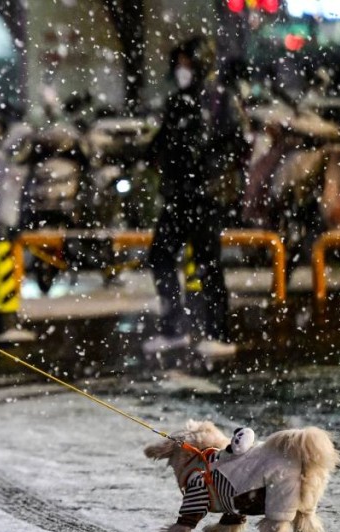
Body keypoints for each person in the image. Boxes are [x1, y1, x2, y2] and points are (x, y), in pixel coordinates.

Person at [143, 36, 250, 358]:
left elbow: (240, 141)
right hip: (179, 196)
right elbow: (160, 143)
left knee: (207, 263)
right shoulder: (178, 102)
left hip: (206, 197)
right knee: (161, 255)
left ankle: (218, 333)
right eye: (178, 63)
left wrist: (208, 166)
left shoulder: (220, 99)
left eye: (187, 63)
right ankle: (173, 329)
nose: (181, 69)